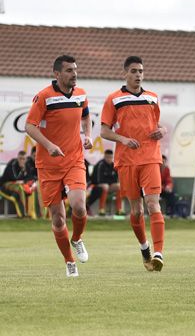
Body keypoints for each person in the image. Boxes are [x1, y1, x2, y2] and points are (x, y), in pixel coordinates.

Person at [25, 55, 93, 277]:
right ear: (57, 74)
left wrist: (88, 135)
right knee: (58, 218)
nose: (74, 74)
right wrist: (49, 145)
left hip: (74, 160)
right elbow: (29, 126)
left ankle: (77, 238)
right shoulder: (44, 97)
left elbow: (86, 115)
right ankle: (69, 261)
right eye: (69, 70)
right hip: (48, 165)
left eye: (75, 69)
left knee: (80, 206)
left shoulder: (81, 94)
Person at [100, 56, 166, 272]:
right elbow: (104, 131)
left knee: (153, 204)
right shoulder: (114, 99)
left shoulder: (153, 98)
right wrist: (123, 139)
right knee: (136, 210)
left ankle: (158, 254)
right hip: (127, 161)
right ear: (125, 73)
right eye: (134, 71)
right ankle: (144, 248)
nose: (139, 75)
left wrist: (162, 131)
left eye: (141, 71)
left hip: (150, 158)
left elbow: (157, 124)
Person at [0, 151, 36, 219]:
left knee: (31, 188)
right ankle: (22, 214)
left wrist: (24, 181)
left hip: (18, 185)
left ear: (26, 159)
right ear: (17, 158)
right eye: (20, 158)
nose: (22, 160)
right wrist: (22, 171)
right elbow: (13, 177)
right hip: (5, 184)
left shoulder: (27, 165)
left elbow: (31, 177)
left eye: (23, 159)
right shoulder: (12, 164)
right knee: (20, 189)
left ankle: (32, 212)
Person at [86, 150, 122, 216]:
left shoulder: (114, 165)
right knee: (105, 186)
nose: (109, 159)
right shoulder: (100, 165)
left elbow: (115, 179)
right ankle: (101, 209)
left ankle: (119, 210)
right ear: (105, 157)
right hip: (96, 185)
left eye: (111, 157)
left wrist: (114, 183)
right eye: (108, 157)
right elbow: (98, 180)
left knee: (119, 186)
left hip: (109, 185)